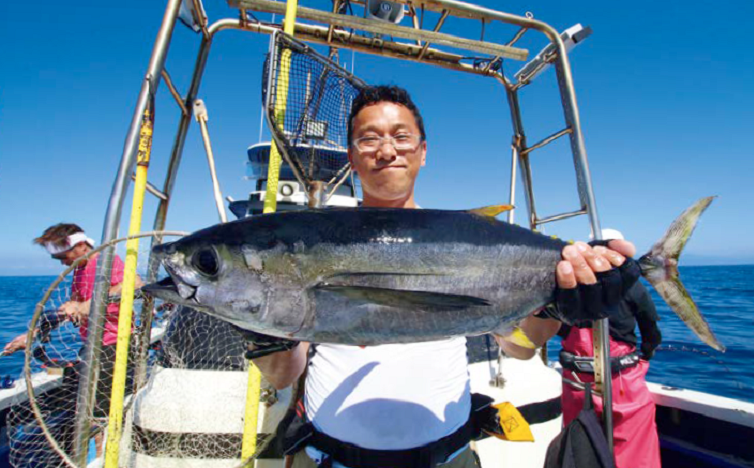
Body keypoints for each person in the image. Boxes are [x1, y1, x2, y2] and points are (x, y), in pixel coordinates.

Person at [240, 85, 638, 468]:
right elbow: (283, 375)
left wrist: (558, 305)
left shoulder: (468, 242)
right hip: (330, 460)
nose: (386, 151)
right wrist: (263, 329)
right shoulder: (314, 244)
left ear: (423, 151)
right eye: (369, 139)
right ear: (352, 156)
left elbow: (520, 348)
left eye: (401, 137)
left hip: (449, 460)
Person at [3, 223, 136, 454]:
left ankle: (103, 456)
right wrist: (31, 336)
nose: (63, 263)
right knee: (87, 406)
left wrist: (86, 305)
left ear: (81, 245)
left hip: (114, 345)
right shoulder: (79, 269)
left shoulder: (105, 261)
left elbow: (132, 284)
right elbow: (70, 308)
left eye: (63, 257)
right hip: (92, 345)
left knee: (99, 411)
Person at [558, 228, 662, 468]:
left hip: (575, 381)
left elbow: (561, 328)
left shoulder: (569, 286)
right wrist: (646, 354)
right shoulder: (633, 286)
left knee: (579, 447)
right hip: (622, 381)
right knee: (632, 446)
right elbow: (650, 327)